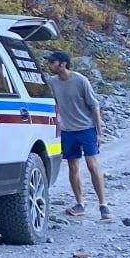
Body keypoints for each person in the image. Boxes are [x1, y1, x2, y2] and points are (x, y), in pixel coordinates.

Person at [44, 49, 110, 220]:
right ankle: (80, 203)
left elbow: (94, 106)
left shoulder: (80, 80)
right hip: (67, 130)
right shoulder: (52, 82)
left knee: (92, 165)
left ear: (63, 64)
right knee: (72, 166)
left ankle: (103, 205)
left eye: (52, 62)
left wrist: (99, 132)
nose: (49, 65)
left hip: (86, 128)